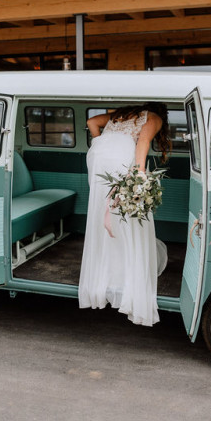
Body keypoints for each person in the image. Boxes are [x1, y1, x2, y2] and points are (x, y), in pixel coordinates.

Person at [78, 103, 170, 327]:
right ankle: (125, 275)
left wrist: (101, 141)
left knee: (103, 209)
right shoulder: (154, 117)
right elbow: (143, 142)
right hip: (120, 156)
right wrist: (138, 178)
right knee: (128, 214)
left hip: (98, 154)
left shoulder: (119, 114)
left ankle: (104, 274)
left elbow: (91, 123)